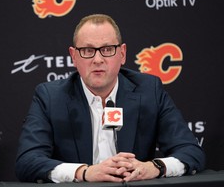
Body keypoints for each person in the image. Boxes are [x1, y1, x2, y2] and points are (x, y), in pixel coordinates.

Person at [15, 14, 205, 183]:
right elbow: (27, 161)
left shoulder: (149, 90)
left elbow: (191, 152)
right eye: (88, 51)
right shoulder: (50, 97)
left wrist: (154, 168)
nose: (98, 59)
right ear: (74, 56)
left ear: (122, 54)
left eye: (107, 49)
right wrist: (84, 172)